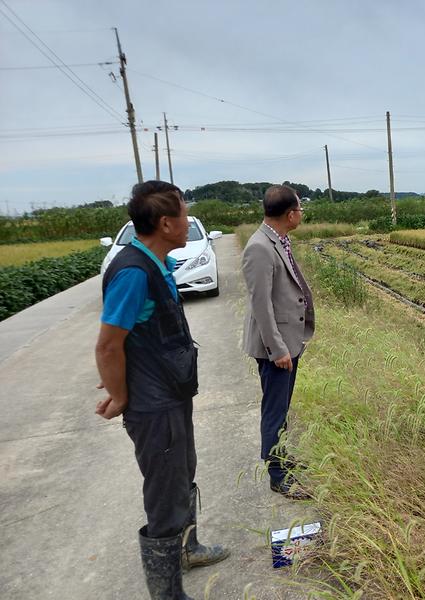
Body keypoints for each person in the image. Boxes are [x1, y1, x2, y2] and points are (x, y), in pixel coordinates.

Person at [95, 181, 229, 600]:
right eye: (185, 215)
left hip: (171, 392)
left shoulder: (158, 263)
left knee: (182, 472)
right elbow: (108, 343)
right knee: (164, 491)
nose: (188, 221)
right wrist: (119, 394)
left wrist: (126, 365)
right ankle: (167, 592)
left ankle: (188, 550)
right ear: (166, 222)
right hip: (152, 404)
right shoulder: (134, 271)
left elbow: (136, 334)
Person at [241, 184, 315, 499]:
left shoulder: (278, 240)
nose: (302, 213)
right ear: (290, 213)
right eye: (300, 208)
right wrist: (277, 349)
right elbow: (261, 305)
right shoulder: (259, 247)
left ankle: (282, 456)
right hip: (278, 347)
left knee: (282, 408)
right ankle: (278, 475)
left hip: (288, 341)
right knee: (274, 409)